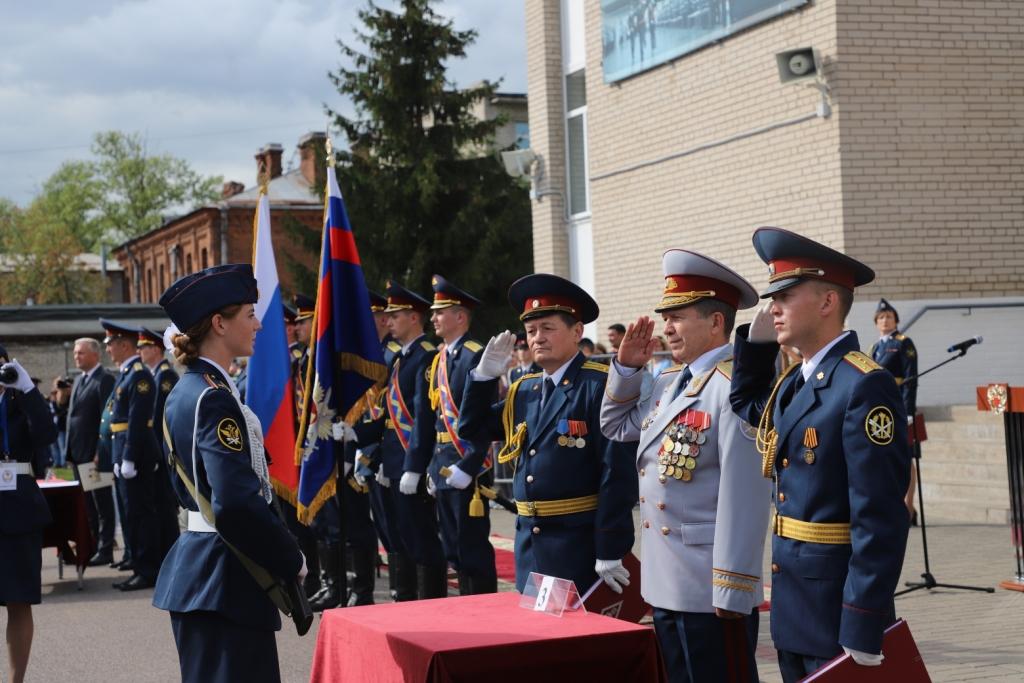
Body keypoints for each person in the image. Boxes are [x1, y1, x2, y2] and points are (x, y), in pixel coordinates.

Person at [729, 227, 911, 682]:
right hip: (795, 603)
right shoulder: (797, 380)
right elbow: (749, 408)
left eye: (785, 296)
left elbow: (879, 515)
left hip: (837, 609)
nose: (773, 307)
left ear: (827, 303)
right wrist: (754, 345)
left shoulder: (863, 384)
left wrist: (863, 616)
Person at [601, 249, 769, 682]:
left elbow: (744, 497)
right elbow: (616, 426)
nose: (667, 328)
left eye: (679, 317)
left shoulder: (734, 389)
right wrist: (626, 369)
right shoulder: (667, 384)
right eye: (666, 317)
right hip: (665, 579)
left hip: (708, 585)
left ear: (716, 322)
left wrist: (733, 587)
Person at [153, 264, 305, 683]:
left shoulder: (187, 389)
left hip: (204, 570)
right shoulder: (214, 398)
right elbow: (236, 502)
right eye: (249, 315)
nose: (258, 324)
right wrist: (290, 557)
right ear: (219, 323)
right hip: (225, 576)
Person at [458, 274, 637, 594]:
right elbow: (473, 428)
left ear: (577, 331)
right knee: (540, 639)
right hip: (530, 544)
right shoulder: (523, 390)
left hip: (577, 544)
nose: (537, 338)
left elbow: (616, 473)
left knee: (579, 641)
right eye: (531, 331)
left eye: (547, 328)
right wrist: (483, 377)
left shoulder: (599, 387)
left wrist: (611, 546)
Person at [353, 281, 447, 600]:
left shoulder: (425, 357)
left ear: (413, 318)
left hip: (410, 462)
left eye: (395, 315)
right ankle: (403, 599)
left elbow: (422, 417)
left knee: (420, 538)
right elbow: (384, 416)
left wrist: (415, 465)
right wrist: (357, 440)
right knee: (398, 536)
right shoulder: (400, 359)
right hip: (392, 460)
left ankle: (429, 606)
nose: (388, 321)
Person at [426, 275, 497, 595]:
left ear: (460, 316)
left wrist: (468, 466)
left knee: (473, 550)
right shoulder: (441, 357)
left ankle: (483, 613)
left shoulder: (476, 355)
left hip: (470, 467)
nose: (434, 318)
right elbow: (435, 418)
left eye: (440, 312)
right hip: (443, 464)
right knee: (452, 547)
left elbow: (483, 418)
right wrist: (431, 466)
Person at [0, 344, 57, 683]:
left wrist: (29, 390)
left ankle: (15, 680)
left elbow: (47, 436)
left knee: (18, 600)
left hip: (17, 507)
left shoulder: (20, 402)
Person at [101, 319, 162, 591]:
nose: (108, 350)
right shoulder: (127, 374)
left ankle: (147, 569)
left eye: (111, 344)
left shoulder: (139, 375)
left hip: (135, 453)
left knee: (140, 514)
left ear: (124, 345)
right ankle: (139, 564)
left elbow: (138, 420)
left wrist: (128, 456)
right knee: (131, 513)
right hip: (124, 450)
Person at [64, 337, 117, 566]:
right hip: (78, 453)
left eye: (81, 353)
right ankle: (94, 544)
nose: (77, 356)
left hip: (94, 454)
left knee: (101, 502)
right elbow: (72, 418)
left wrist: (99, 451)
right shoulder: (78, 380)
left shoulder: (104, 379)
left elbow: (105, 418)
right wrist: (68, 452)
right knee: (87, 504)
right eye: (75, 353)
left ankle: (106, 548)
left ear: (95, 355)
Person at [870, 298, 920, 523]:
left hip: (900, 408)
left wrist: (908, 411)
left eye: (889, 316)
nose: (885, 320)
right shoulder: (875, 348)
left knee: (907, 456)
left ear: (896, 320)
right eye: (881, 317)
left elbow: (911, 379)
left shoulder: (903, 343)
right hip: (881, 411)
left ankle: (908, 507)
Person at [138, 327, 181, 560]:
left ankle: (170, 554)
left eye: (143, 347)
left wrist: (156, 452)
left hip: (162, 451)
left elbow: (160, 421)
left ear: (155, 349)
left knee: (165, 506)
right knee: (159, 504)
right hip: (155, 451)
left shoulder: (165, 377)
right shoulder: (155, 374)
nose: (140, 351)